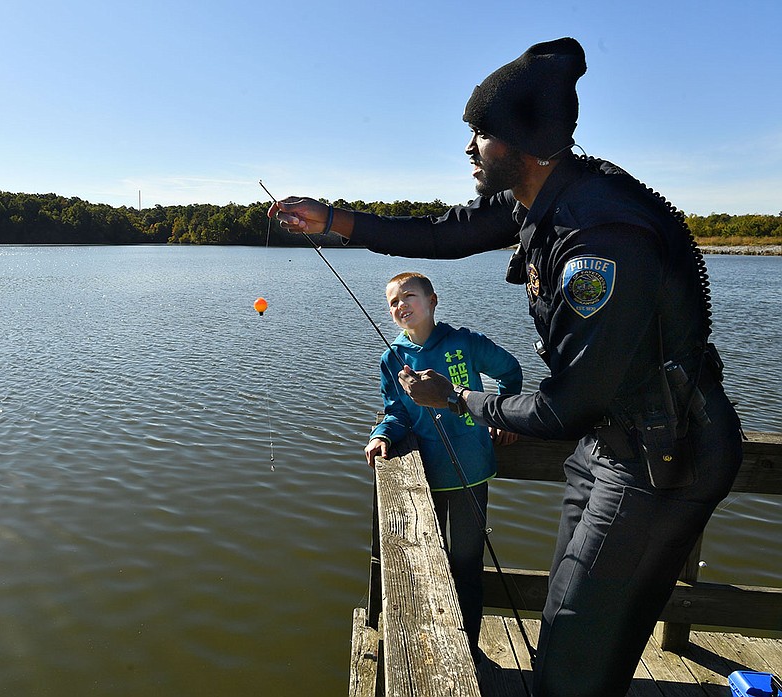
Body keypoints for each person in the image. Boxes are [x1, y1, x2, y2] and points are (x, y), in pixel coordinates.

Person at [269, 37, 743, 697]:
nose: (470, 148)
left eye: (481, 133)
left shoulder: (600, 240)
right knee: (570, 639)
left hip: (664, 461)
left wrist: (458, 398)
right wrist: (332, 219)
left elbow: (562, 405)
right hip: (608, 445)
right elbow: (440, 233)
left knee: (576, 662)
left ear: (522, 142)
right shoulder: (539, 197)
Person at [365, 271, 523, 663]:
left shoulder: (464, 342)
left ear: (432, 300)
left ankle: (468, 646)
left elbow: (510, 371)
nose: (401, 306)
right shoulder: (392, 358)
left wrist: (501, 416)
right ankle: (433, 644)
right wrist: (382, 434)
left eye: (409, 296)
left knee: (468, 563)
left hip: (471, 470)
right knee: (423, 565)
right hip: (423, 479)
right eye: (393, 302)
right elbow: (396, 413)